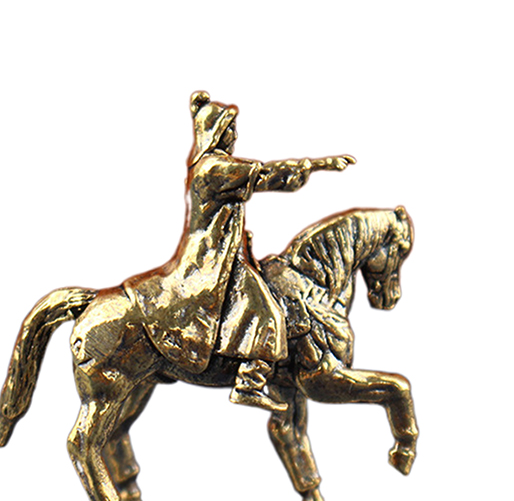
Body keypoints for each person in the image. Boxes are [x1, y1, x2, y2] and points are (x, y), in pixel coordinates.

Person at [124, 91, 354, 413]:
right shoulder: (214, 168)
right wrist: (317, 165)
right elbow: (266, 175)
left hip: (229, 256)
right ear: (216, 133)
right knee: (267, 312)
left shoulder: (213, 167)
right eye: (229, 130)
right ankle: (250, 381)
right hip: (212, 263)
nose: (234, 136)